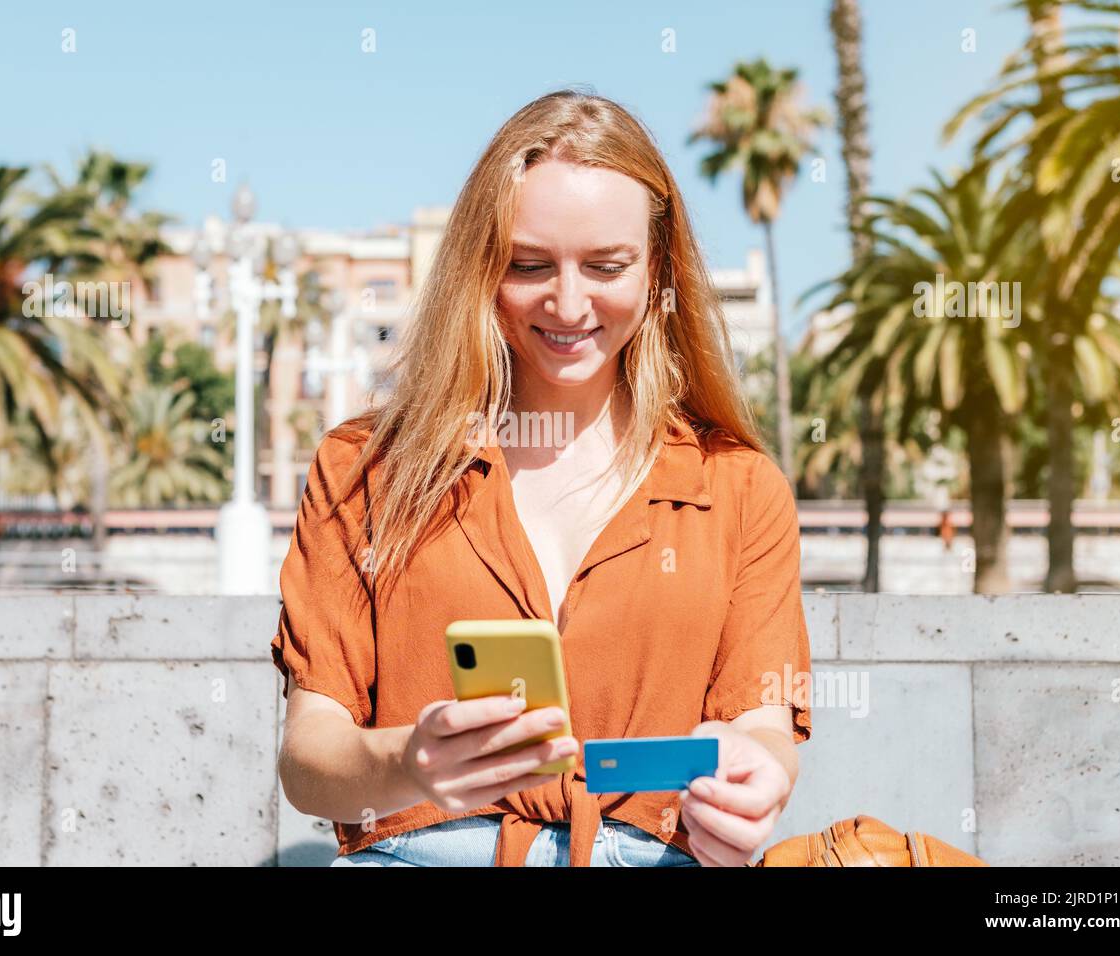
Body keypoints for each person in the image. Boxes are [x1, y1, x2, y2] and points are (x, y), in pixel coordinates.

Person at [273, 88, 813, 867]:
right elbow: (307, 758)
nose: (567, 303)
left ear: (658, 270)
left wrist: (753, 779)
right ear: (480, 267)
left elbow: (762, 724)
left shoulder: (741, 489)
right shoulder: (362, 470)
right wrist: (406, 764)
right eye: (528, 265)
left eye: (606, 265)